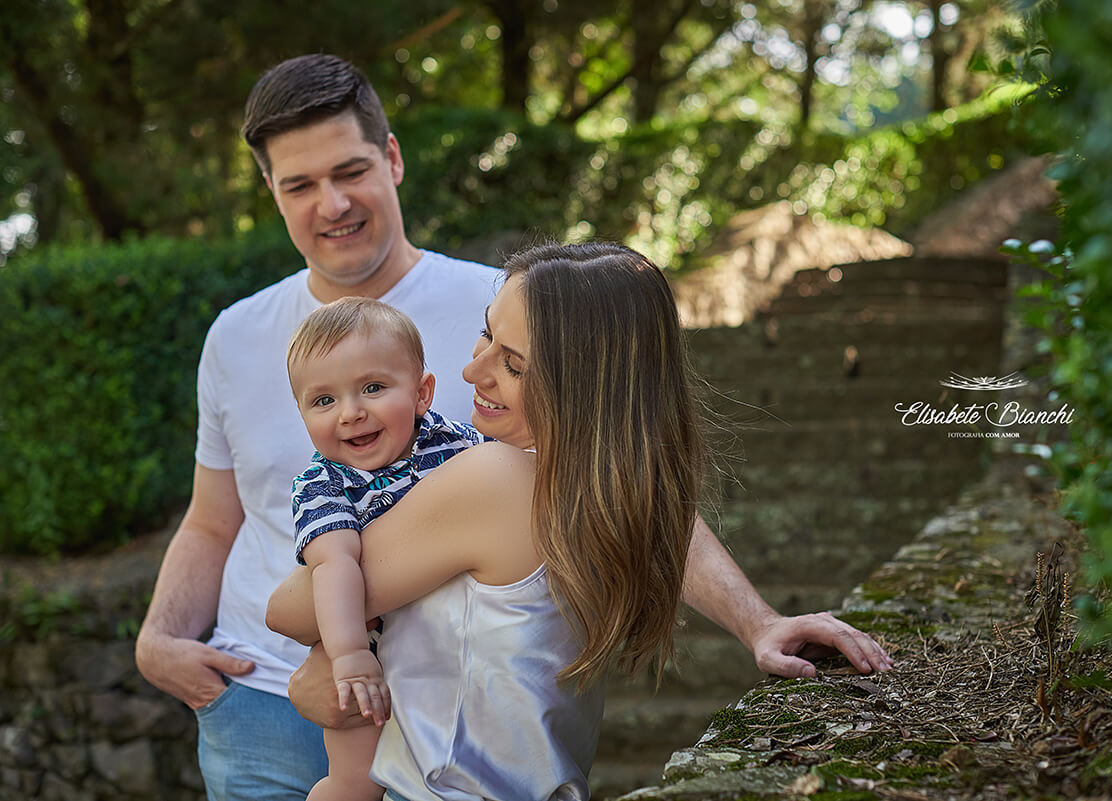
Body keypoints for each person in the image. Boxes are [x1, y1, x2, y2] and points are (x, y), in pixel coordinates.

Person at [134, 52, 890, 801]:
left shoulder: (513, 303)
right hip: (256, 700)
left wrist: (754, 618)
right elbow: (212, 519)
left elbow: (614, 468)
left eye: (349, 171)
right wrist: (164, 637)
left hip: (437, 729)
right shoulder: (235, 335)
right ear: (270, 190)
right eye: (299, 184)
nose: (331, 203)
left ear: (392, 158)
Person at [266, 242, 708, 800]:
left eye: (513, 363)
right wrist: (758, 622)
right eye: (486, 333)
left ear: (583, 387)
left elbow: (286, 610)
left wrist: (328, 662)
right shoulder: (608, 493)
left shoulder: (495, 477)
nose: (473, 369)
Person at [287, 297, 486, 801]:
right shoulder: (322, 484)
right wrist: (350, 655)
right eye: (324, 401)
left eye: (373, 388)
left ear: (422, 393)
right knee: (355, 782)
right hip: (365, 647)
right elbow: (333, 564)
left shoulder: (455, 442)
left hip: (455, 644)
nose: (351, 414)